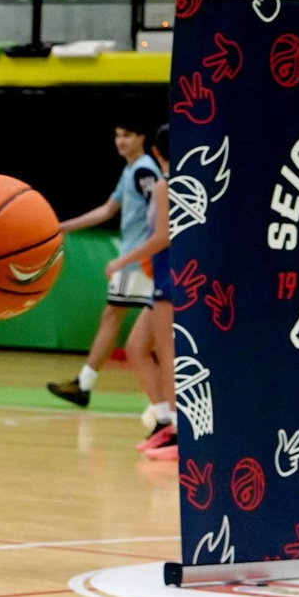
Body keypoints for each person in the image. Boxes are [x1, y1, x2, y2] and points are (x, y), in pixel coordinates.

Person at [44, 122, 159, 409]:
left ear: (142, 137)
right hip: (139, 259)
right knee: (130, 322)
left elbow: (158, 211)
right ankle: (85, 384)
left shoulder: (145, 170)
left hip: (139, 260)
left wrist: (142, 254)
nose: (120, 141)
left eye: (127, 135)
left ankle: (162, 402)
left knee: (128, 325)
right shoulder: (131, 169)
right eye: (117, 135)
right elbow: (108, 209)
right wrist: (65, 226)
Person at [111, 124, 176, 459]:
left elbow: (163, 237)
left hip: (171, 275)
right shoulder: (172, 184)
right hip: (164, 273)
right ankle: (165, 421)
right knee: (137, 348)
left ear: (155, 151)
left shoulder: (166, 186)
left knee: (168, 356)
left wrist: (124, 260)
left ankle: (179, 432)